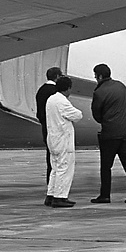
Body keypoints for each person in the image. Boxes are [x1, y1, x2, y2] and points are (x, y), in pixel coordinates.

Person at [90, 63, 126, 204]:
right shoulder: (121, 86)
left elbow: (96, 114)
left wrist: (106, 120)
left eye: (96, 76)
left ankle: (105, 195)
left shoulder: (99, 92)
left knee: (106, 166)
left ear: (100, 76)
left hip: (110, 134)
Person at [43, 75, 82, 207]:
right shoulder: (62, 101)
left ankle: (50, 194)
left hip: (52, 138)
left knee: (55, 168)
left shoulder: (51, 99)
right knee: (64, 168)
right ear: (68, 88)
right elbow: (77, 115)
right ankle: (59, 197)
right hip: (63, 140)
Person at [34, 65, 63, 183]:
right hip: (56, 127)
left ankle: (50, 182)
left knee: (50, 156)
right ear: (57, 77)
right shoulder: (55, 91)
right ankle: (56, 184)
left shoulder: (41, 90)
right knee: (59, 158)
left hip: (45, 126)